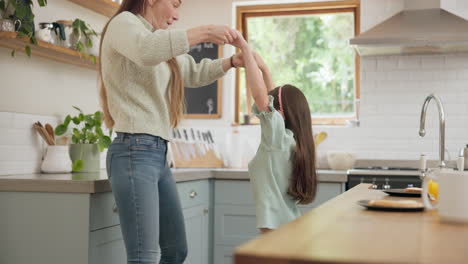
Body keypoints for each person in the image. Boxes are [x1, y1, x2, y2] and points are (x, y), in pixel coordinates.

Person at [98, 0, 242, 263]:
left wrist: (232, 61)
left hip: (157, 153)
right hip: (134, 151)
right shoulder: (124, 24)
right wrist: (206, 32)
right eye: (174, 4)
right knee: (144, 257)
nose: (176, 15)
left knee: (176, 250)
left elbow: (194, 72)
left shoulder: (158, 40)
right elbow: (145, 51)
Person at [233, 32, 318, 234]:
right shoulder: (292, 140)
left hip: (274, 226)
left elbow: (261, 96)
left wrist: (245, 48)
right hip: (289, 222)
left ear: (278, 112)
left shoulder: (277, 139)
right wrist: (264, 68)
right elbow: (273, 98)